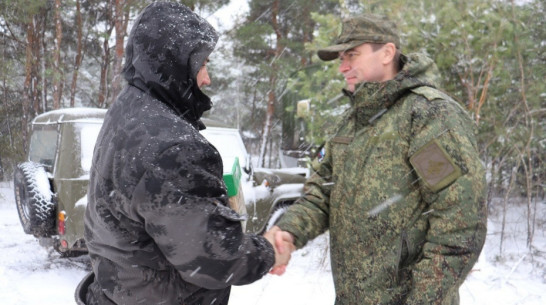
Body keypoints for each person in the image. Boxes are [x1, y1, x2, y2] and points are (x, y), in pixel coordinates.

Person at [79, 2, 292, 305]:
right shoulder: (174, 148)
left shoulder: (126, 111)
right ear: (173, 64)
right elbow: (216, 259)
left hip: (123, 290)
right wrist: (269, 250)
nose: (207, 79)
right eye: (202, 64)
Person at [270, 14, 487, 304]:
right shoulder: (352, 121)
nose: (343, 66)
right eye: (341, 58)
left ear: (386, 53)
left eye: (353, 55)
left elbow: (459, 222)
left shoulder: (424, 117)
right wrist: (289, 231)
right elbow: (322, 193)